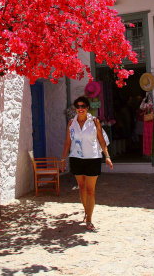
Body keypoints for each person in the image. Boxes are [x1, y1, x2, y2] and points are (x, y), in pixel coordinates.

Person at [61, 96, 113, 231]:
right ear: (75, 108)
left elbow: (101, 140)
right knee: (82, 187)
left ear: (87, 108)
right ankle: (86, 212)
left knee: (90, 190)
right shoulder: (71, 123)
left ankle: (89, 219)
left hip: (93, 158)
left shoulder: (94, 122)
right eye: (77, 106)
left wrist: (107, 156)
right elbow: (67, 142)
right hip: (76, 159)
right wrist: (62, 159)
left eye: (83, 106)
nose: (80, 109)